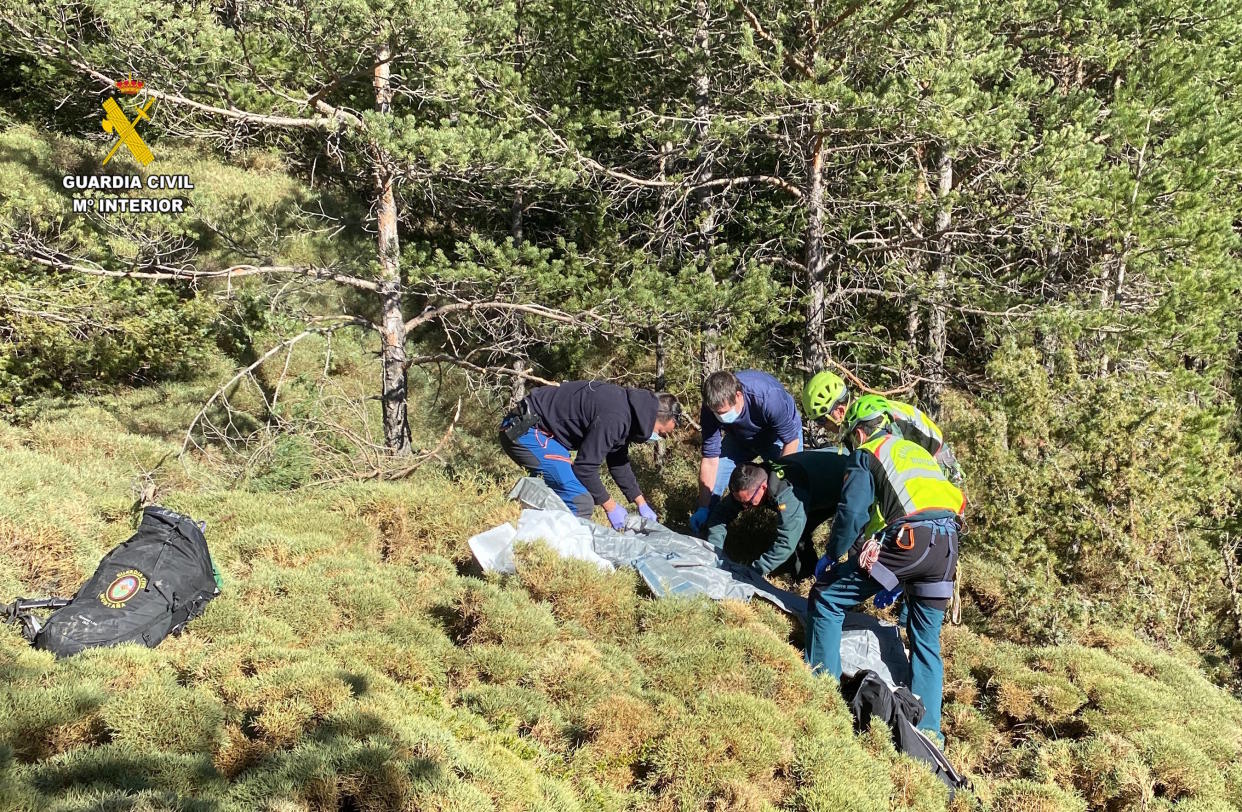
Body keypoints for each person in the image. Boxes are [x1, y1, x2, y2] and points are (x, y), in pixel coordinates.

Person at [805, 394, 965, 744]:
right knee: (925, 640)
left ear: (859, 434)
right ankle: (929, 733)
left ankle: (822, 699)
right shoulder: (916, 452)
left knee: (827, 599)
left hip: (912, 539)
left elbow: (852, 512)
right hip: (949, 543)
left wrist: (833, 554)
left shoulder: (867, 453)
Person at [499, 381, 683, 528]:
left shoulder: (629, 412)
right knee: (580, 501)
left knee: (571, 490)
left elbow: (618, 460)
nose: (658, 438)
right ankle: (556, 556)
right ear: (655, 418)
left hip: (543, 433)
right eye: (661, 432)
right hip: (524, 430)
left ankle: (527, 519)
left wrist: (641, 503)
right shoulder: (616, 417)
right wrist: (611, 507)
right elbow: (585, 468)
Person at [702, 450, 848, 580]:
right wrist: (714, 553)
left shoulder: (786, 493)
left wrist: (752, 572)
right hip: (815, 477)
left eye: (749, 502)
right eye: (741, 502)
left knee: (798, 535)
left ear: (763, 487)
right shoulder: (752, 481)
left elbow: (786, 543)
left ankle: (810, 580)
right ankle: (805, 574)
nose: (745, 507)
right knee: (798, 532)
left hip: (841, 482)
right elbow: (721, 514)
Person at [689, 370, 803, 535]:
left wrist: (777, 480)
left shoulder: (767, 397)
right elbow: (710, 459)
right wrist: (703, 507)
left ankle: (785, 538)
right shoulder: (710, 408)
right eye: (716, 413)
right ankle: (708, 533)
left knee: (788, 490)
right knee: (713, 488)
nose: (720, 417)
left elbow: (790, 440)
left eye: (724, 413)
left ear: (738, 396)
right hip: (738, 439)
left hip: (778, 438)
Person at [802, 370, 963, 483]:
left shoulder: (873, 421)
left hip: (937, 461)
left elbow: (894, 468)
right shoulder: (857, 418)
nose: (822, 427)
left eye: (822, 421)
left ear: (839, 411)